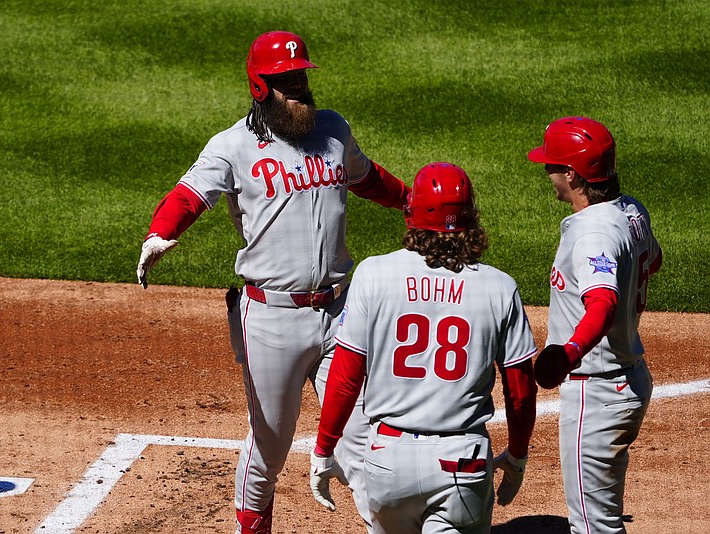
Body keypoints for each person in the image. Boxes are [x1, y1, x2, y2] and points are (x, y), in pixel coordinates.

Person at [135, 30, 409, 533]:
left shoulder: (333, 130)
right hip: (271, 319)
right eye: (286, 82)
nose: (299, 88)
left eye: (301, 77)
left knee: (364, 441)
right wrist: (160, 234)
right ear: (260, 88)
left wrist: (412, 202)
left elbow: (366, 177)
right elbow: (190, 193)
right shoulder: (232, 146)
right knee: (270, 444)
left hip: (340, 313)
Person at [308, 162, 538, 533]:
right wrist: (517, 454)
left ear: (412, 213)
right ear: (471, 219)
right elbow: (520, 391)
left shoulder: (373, 274)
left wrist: (323, 449)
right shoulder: (500, 287)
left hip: (387, 462)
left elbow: (347, 375)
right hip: (461, 464)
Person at [527, 116, 663, 534]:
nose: (547, 173)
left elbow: (602, 305)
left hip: (596, 392)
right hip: (628, 377)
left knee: (592, 527)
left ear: (572, 174)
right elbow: (652, 261)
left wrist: (567, 353)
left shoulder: (592, 234)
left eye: (551, 166)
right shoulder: (632, 211)